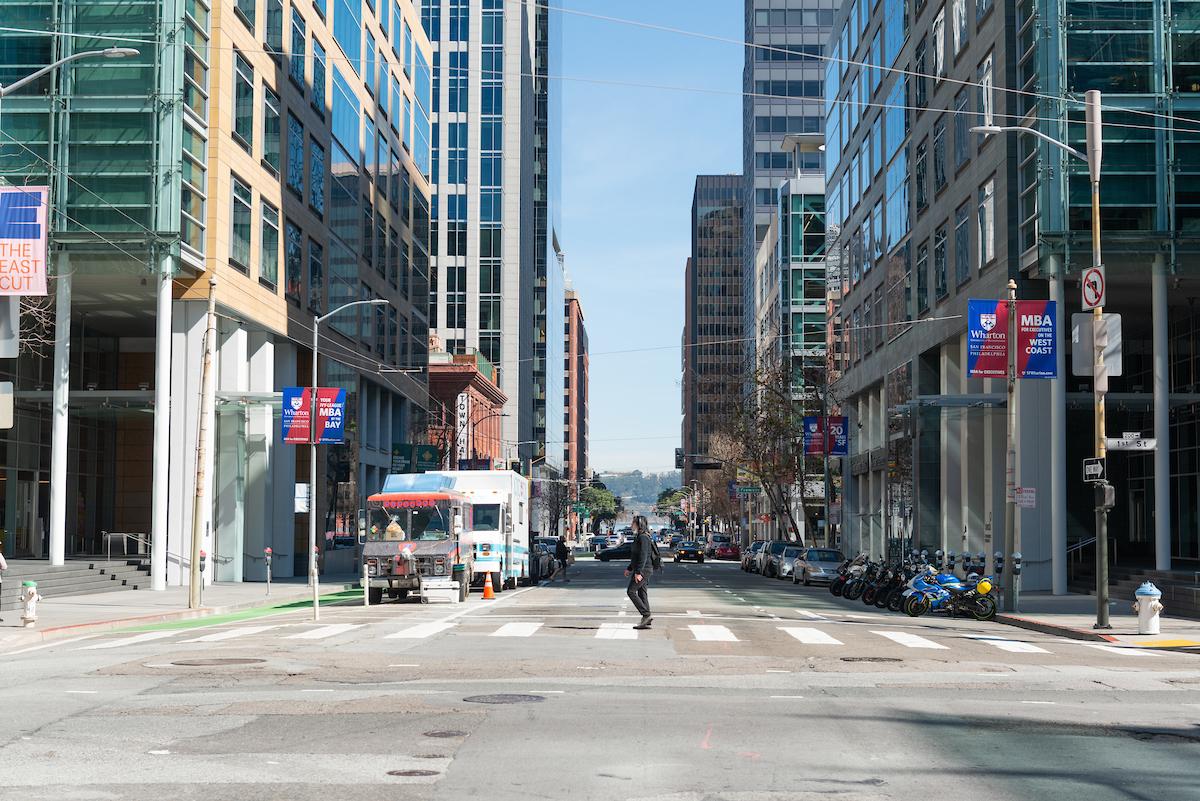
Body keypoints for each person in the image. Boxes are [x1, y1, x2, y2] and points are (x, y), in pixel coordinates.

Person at [624, 515, 655, 629]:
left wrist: (639, 572)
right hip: (642, 569)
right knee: (642, 593)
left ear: (639, 524)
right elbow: (636, 557)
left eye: (633, 522)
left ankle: (646, 614)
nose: (631, 524)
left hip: (644, 570)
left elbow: (643, 556)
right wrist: (629, 568)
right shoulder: (639, 536)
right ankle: (645, 619)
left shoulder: (643, 537)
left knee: (631, 591)